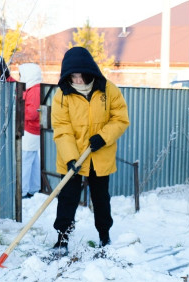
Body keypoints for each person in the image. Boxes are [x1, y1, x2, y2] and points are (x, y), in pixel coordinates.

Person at [50, 47, 129, 255]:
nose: (77, 80)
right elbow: (62, 128)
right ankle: (62, 238)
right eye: (72, 76)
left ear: (89, 71)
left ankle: (104, 235)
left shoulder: (108, 90)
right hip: (73, 157)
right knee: (67, 198)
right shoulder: (62, 95)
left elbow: (120, 118)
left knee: (101, 198)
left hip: (100, 155)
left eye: (80, 75)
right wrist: (70, 157)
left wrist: (103, 137)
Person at [18, 63, 43, 199]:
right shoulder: (34, 88)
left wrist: (18, 110)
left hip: (30, 129)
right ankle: (34, 187)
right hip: (33, 129)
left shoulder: (34, 90)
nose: (20, 78)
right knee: (32, 159)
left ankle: (22, 190)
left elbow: (32, 113)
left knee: (26, 159)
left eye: (21, 75)